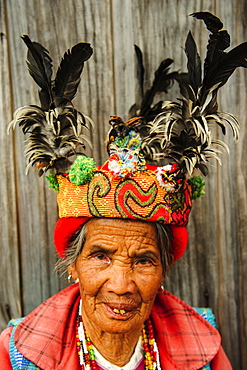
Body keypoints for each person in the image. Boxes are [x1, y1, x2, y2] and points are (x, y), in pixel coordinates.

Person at [2, 11, 245, 369]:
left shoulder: (203, 345)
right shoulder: (15, 353)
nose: (121, 285)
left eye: (144, 260)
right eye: (101, 255)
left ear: (163, 270)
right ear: (74, 265)